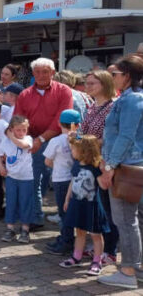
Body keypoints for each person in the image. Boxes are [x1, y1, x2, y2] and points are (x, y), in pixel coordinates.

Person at [97, 54, 143, 289]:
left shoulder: (131, 100)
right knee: (133, 220)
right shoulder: (131, 98)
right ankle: (137, 268)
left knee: (125, 220)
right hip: (131, 165)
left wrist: (110, 166)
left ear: (126, 76)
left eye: (115, 74)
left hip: (126, 167)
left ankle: (128, 271)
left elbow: (125, 135)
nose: (112, 77)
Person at [14, 57, 73, 231]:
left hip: (57, 141)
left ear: (53, 73)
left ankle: (67, 222)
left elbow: (61, 120)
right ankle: (35, 218)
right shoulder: (25, 94)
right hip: (32, 141)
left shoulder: (64, 91)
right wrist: (26, 140)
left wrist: (41, 139)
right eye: (37, 72)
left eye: (45, 71)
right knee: (33, 181)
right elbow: (18, 119)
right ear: (33, 74)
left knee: (62, 182)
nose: (41, 75)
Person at [81, 70, 118, 266]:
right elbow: (82, 131)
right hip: (90, 162)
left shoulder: (112, 107)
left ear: (104, 84)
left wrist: (90, 142)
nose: (87, 87)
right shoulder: (91, 106)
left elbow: (111, 137)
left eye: (92, 83)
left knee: (108, 208)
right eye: (86, 83)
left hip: (104, 162)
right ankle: (100, 247)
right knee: (96, 207)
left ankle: (111, 250)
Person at [59, 134, 110, 277]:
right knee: (79, 231)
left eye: (74, 149)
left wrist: (105, 170)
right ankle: (77, 256)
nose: (72, 152)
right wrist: (67, 199)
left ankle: (97, 261)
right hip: (77, 204)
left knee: (95, 234)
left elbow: (104, 186)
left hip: (92, 206)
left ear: (84, 151)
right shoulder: (76, 165)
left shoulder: (95, 168)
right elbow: (73, 181)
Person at [44, 109, 82, 256]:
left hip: (61, 179)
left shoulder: (56, 141)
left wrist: (59, 166)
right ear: (77, 125)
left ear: (59, 123)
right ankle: (66, 238)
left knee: (63, 212)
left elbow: (47, 161)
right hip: (75, 179)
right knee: (71, 210)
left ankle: (66, 241)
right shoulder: (80, 139)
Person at [0, 115, 34, 244]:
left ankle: (25, 230)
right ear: (12, 129)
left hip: (26, 178)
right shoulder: (5, 142)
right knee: (11, 202)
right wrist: (1, 167)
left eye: (24, 130)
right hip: (11, 177)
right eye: (18, 130)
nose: (21, 133)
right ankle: (10, 229)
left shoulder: (28, 139)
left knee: (25, 203)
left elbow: (22, 145)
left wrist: (10, 135)